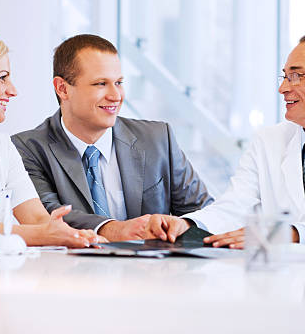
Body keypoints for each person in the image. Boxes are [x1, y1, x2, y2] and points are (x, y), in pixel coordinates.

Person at [146, 33, 305, 248]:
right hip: (280, 285)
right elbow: (235, 206)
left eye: (297, 76)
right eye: (284, 76)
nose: (283, 88)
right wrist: (189, 225)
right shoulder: (267, 140)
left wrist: (294, 233)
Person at [11, 34, 213, 242]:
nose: (115, 95)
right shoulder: (27, 149)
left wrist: (181, 224)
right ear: (62, 88)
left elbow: (205, 213)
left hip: (153, 271)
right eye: (101, 84)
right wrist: (113, 229)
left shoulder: (158, 139)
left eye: (118, 82)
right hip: (73, 271)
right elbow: (46, 217)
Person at [0, 29, 100, 247]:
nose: (13, 91)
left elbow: (36, 219)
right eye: (3, 78)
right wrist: (44, 235)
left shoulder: (0, 146)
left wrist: (73, 235)